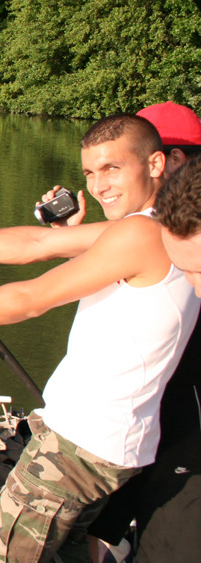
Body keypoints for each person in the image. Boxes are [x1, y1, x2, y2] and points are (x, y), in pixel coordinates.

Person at [0, 114, 199, 562]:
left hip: (77, 448)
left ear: (155, 164)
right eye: (90, 173)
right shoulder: (162, 226)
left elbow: (30, 298)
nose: (99, 185)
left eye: (112, 169)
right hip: (109, 444)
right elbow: (36, 243)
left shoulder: (141, 233)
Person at [83, 102, 201, 562]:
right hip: (141, 417)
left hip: (182, 416)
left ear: (166, 161)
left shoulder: (171, 228)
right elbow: (45, 244)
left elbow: (35, 288)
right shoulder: (148, 226)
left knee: (168, 540)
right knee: (97, 517)